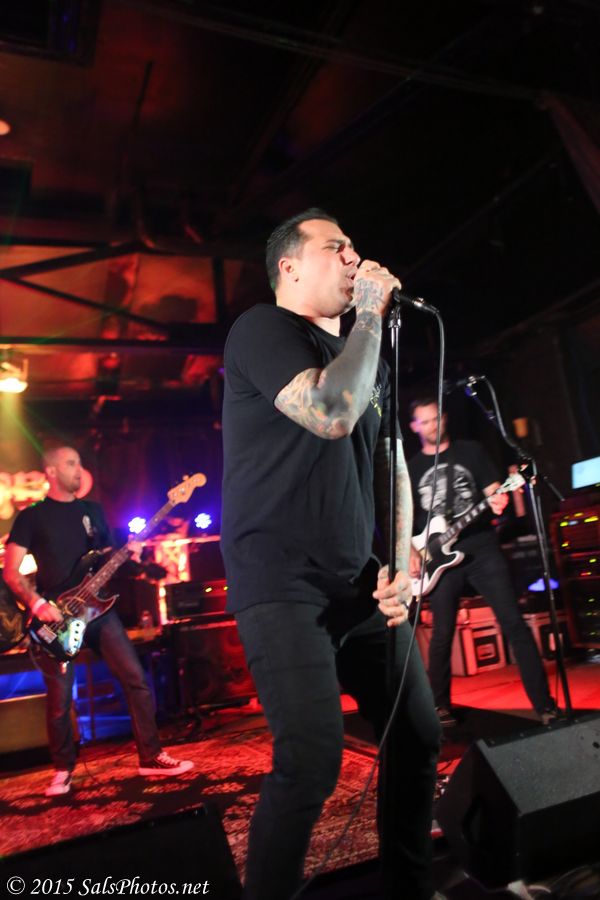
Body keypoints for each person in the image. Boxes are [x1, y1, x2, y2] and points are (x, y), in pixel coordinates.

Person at [221, 209, 441, 900]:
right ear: (289, 266)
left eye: (355, 248)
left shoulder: (367, 357)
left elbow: (389, 466)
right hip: (280, 581)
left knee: (417, 734)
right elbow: (331, 413)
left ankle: (409, 888)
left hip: (358, 582)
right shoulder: (262, 329)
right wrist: (370, 312)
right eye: (335, 247)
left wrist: (399, 565)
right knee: (312, 762)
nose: (353, 258)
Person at [3, 445, 193, 797]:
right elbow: (11, 572)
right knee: (60, 701)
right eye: (70, 463)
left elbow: (105, 557)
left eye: (79, 462)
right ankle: (62, 770)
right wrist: (38, 604)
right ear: (52, 471)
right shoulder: (32, 517)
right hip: (57, 617)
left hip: (99, 612)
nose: (79, 469)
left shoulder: (92, 511)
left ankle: (151, 756)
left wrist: (128, 553)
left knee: (136, 679)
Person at [407, 398, 558, 726]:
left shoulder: (471, 452)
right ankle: (439, 706)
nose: (432, 425)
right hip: (436, 558)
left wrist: (500, 499)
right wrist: (410, 551)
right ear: (414, 426)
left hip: (481, 549)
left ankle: (545, 705)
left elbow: (493, 491)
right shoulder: (412, 467)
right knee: (443, 633)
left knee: (513, 622)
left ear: (445, 418)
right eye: (425, 421)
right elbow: (403, 518)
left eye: (436, 418)